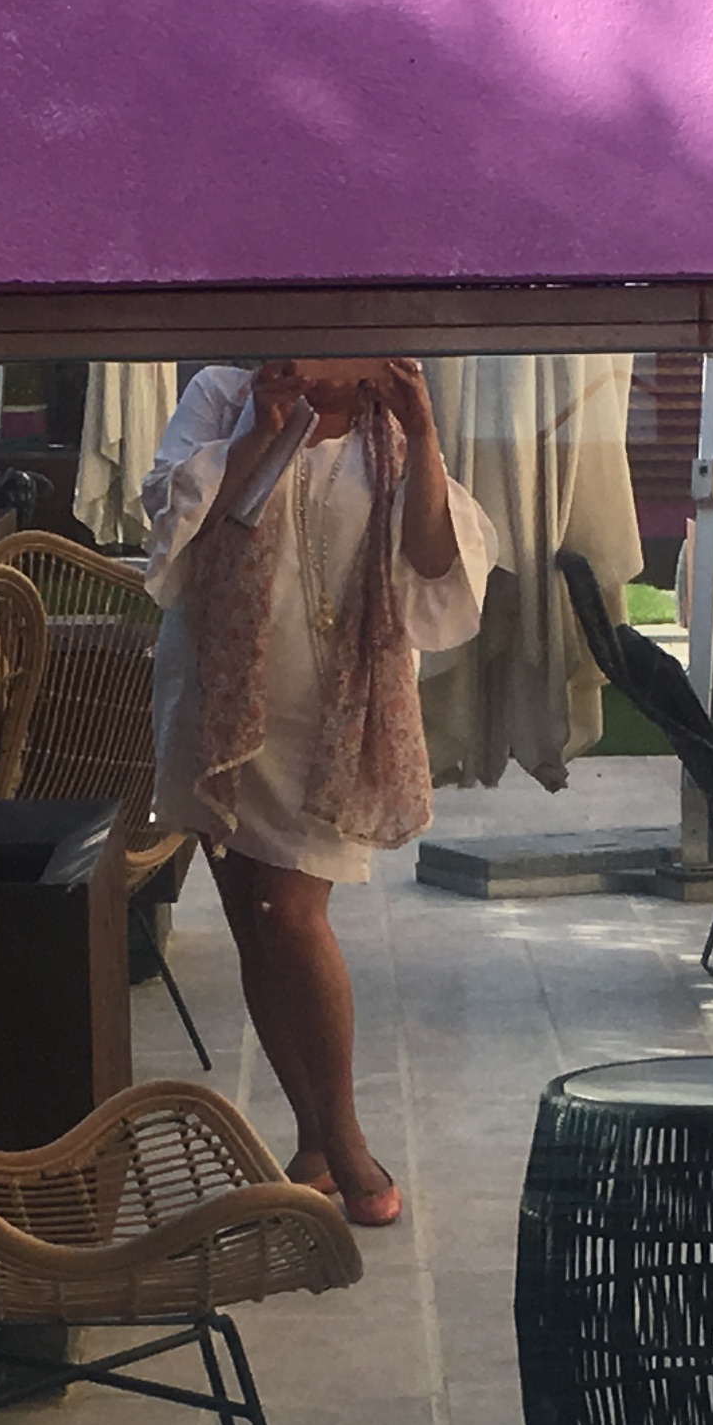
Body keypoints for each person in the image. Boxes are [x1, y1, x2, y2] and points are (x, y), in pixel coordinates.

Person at [144, 358, 491, 1229]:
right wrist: (255, 434)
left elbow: (434, 561)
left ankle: (343, 1134)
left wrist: (426, 435)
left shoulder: (393, 423)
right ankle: (312, 1142)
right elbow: (174, 530)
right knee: (255, 927)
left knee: (293, 916)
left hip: (336, 715)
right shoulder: (223, 395)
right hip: (220, 706)